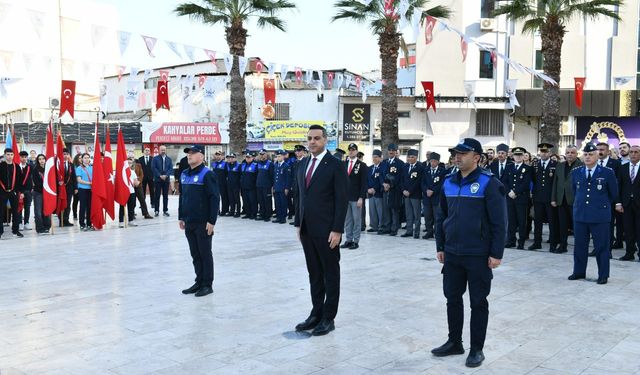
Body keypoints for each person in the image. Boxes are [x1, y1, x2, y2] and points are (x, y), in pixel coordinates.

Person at [432, 138, 507, 368]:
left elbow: (499, 222)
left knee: (478, 302)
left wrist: (496, 253)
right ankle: (455, 341)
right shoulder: (448, 182)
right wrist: (441, 246)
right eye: (455, 153)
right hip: (453, 254)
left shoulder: (489, 183)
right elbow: (441, 217)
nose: (457, 157)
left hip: (478, 254)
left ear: (477, 157)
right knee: (452, 299)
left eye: (462, 153)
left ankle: (477, 349)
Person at [294, 125, 348, 336]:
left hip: (327, 231)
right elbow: (299, 196)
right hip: (307, 229)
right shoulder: (303, 164)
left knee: (330, 273)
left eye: (317, 138)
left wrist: (337, 229)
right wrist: (298, 224)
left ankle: (328, 317)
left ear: (325, 140)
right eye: (309, 138)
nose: (312, 142)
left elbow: (341, 199)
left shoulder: (335, 165)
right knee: (314, 273)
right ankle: (316, 313)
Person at [569, 143, 620, 285]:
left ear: (598, 155)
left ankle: (603, 275)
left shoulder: (607, 172)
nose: (587, 157)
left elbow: (613, 194)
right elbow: (575, 192)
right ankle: (578, 271)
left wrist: (599, 205)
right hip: (580, 215)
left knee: (601, 247)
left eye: (591, 154)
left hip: (599, 216)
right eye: (585, 154)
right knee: (579, 246)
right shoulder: (576, 172)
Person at [178, 145, 220, 298]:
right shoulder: (184, 174)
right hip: (189, 221)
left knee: (205, 253)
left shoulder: (207, 174)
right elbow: (182, 197)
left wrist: (211, 221)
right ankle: (199, 281)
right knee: (195, 253)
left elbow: (214, 198)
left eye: (193, 153)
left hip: (203, 222)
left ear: (201, 156)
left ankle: (207, 284)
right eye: (188, 153)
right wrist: (181, 217)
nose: (189, 155)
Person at [551, 145, 583, 253]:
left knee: (577, 225)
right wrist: (553, 198)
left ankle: (579, 247)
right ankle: (563, 245)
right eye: (568, 152)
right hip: (561, 200)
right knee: (562, 225)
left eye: (572, 152)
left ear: (577, 154)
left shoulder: (581, 166)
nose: (569, 154)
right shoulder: (559, 166)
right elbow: (555, 183)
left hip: (575, 201)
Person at [530, 143, 559, 251]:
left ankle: (553, 243)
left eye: (546, 151)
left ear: (550, 153)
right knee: (537, 221)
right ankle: (537, 242)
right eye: (542, 151)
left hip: (550, 198)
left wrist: (554, 198)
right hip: (538, 197)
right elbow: (533, 179)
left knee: (552, 221)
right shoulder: (535, 164)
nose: (544, 153)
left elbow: (556, 182)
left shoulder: (555, 164)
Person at [505, 147, 533, 250]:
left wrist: (515, 192)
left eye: (520, 155)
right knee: (511, 221)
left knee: (522, 222)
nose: (518, 157)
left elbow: (526, 184)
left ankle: (521, 242)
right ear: (513, 156)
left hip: (521, 198)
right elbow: (505, 181)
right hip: (510, 198)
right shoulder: (509, 167)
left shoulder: (528, 168)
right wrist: (509, 191)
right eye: (516, 155)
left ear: (523, 156)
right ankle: (511, 241)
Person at [341, 143, 368, 249]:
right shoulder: (344, 164)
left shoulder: (362, 165)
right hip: (346, 197)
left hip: (356, 197)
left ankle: (355, 241)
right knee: (348, 220)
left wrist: (361, 197)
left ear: (357, 152)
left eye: (353, 150)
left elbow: (364, 183)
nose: (351, 151)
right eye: (350, 150)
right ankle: (348, 239)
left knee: (357, 220)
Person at [596, 142, 623, 251]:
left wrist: (617, 201)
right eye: (598, 150)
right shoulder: (592, 163)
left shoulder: (615, 164)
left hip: (609, 200)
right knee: (596, 225)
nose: (600, 152)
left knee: (609, 225)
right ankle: (597, 247)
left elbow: (618, 183)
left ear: (608, 151)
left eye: (602, 149)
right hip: (596, 200)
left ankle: (608, 249)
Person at [617, 145, 640, 261]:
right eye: (631, 152)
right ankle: (629, 253)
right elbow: (619, 186)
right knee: (628, 229)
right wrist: (618, 203)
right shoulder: (623, 168)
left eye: (636, 152)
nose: (633, 154)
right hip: (626, 204)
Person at [380, 144, 405, 236]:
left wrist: (390, 185)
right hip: (385, 189)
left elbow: (399, 177)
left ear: (396, 152)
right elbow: (381, 175)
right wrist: (383, 184)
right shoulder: (384, 162)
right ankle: (387, 227)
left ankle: (394, 228)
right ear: (387, 151)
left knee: (394, 209)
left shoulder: (400, 163)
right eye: (389, 150)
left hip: (395, 190)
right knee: (386, 209)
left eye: (393, 150)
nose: (391, 152)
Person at [0, 148, 24, 238]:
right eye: (8, 154)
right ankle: (0, 231)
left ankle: (15, 231)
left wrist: (18, 191)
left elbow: (20, 180)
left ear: (13, 155)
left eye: (11, 155)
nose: (10, 156)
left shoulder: (17, 166)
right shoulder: (1, 165)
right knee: (1, 212)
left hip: (13, 192)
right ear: (4, 155)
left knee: (16, 212)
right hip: (2, 192)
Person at [422, 152, 446, 239]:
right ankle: (429, 232)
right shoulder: (426, 170)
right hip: (427, 197)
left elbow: (442, 184)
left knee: (437, 217)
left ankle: (437, 232)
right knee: (427, 216)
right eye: (431, 161)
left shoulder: (442, 171)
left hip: (436, 197)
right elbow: (422, 182)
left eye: (435, 161)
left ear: (438, 162)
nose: (433, 163)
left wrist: (433, 190)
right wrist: (426, 190)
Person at [400, 149, 423, 238]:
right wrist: (403, 190)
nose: (410, 158)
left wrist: (410, 191)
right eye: (408, 157)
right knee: (408, 214)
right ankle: (409, 231)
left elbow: (418, 181)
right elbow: (401, 180)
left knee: (416, 214)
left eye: (412, 157)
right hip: (406, 194)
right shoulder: (405, 167)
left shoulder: (420, 167)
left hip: (415, 195)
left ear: (416, 157)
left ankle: (416, 232)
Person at [31, 154, 51, 234]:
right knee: (38, 211)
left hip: (47, 192)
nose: (42, 160)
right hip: (38, 192)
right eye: (40, 159)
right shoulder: (35, 169)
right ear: (37, 160)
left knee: (46, 210)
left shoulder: (49, 169)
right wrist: (45, 186)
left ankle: (47, 226)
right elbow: (36, 182)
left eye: (43, 159)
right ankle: (39, 228)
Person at [152, 145, 172, 217]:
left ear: (166, 150)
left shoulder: (169, 159)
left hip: (166, 180)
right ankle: (156, 210)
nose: (163, 151)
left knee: (165, 196)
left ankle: (165, 210)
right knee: (157, 195)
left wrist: (166, 175)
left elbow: (170, 169)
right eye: (161, 150)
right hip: (158, 180)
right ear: (159, 150)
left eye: (164, 150)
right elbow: (154, 168)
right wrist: (160, 175)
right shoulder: (155, 159)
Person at [366, 149, 384, 233]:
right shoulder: (370, 168)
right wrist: (368, 189)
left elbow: (381, 181)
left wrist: (374, 189)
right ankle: (374, 226)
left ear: (380, 158)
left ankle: (381, 226)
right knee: (372, 210)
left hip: (378, 193)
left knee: (380, 211)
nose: (374, 159)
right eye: (373, 157)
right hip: (370, 193)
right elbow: (366, 180)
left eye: (376, 157)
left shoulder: (383, 168)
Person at [118, 158, 138, 228]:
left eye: (130, 163)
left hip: (131, 192)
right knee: (122, 207)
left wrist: (137, 182)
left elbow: (136, 182)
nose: (129, 164)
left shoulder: (132, 172)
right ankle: (121, 222)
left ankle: (131, 220)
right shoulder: (121, 172)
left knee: (131, 207)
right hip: (123, 192)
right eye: (128, 163)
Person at [75, 153, 93, 231]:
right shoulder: (79, 168)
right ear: (82, 159)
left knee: (90, 207)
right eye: (85, 158)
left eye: (88, 158)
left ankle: (89, 223)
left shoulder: (92, 168)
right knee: (82, 207)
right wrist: (90, 183)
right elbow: (79, 180)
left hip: (91, 190)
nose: (86, 159)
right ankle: (82, 224)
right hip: (82, 189)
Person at [272, 150, 291, 224]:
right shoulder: (276, 165)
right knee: (277, 203)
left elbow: (288, 178)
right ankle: (278, 217)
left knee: (283, 203)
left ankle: (283, 218)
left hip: (283, 188)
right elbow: (274, 177)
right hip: (277, 187)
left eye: (279, 156)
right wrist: (273, 187)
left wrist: (287, 188)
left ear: (283, 156)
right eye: (277, 156)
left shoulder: (286, 166)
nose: (278, 158)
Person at [58, 149, 75, 227]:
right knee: (60, 203)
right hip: (60, 187)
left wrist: (75, 188)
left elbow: (74, 177)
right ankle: (60, 220)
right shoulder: (58, 164)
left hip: (69, 188)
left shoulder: (71, 165)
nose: (65, 156)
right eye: (64, 154)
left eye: (67, 154)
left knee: (68, 204)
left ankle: (66, 220)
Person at [256, 149, 274, 221]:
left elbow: (272, 176)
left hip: (267, 186)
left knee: (267, 201)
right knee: (261, 200)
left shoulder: (270, 164)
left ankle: (268, 215)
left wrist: (272, 186)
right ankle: (262, 214)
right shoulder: (258, 163)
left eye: (263, 154)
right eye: (260, 154)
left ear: (266, 154)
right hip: (259, 185)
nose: (261, 155)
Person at [18, 151, 33, 231]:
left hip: (28, 191)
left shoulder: (30, 167)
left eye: (25, 157)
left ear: (27, 158)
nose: (24, 158)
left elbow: (31, 179)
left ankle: (26, 222)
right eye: (22, 157)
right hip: (19, 191)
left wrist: (30, 189)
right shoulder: (16, 166)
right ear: (19, 157)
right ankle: (19, 222)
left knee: (27, 207)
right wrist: (20, 192)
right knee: (19, 207)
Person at [240, 151, 258, 219]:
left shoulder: (255, 165)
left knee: (252, 201)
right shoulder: (243, 165)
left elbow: (256, 176)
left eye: (249, 157)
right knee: (246, 201)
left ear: (252, 158)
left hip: (252, 187)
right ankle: (248, 213)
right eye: (247, 157)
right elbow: (241, 175)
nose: (248, 159)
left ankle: (254, 213)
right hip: (244, 186)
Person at [211, 151, 229, 215]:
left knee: (224, 197)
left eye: (219, 155)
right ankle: (217, 210)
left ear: (222, 156)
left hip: (223, 183)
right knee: (216, 197)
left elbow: (227, 174)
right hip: (215, 183)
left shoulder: (225, 164)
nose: (218, 156)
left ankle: (224, 210)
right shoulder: (213, 163)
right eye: (216, 155)